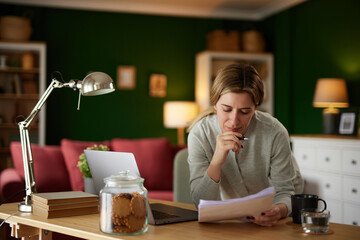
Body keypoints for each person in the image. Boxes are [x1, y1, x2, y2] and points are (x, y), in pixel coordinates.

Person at [187, 63, 303, 227]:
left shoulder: (275, 132)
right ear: (214, 103)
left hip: (277, 212)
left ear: (256, 107)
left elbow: (286, 191)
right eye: (226, 109)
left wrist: (279, 210)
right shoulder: (200, 134)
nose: (234, 121)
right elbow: (200, 203)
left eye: (244, 111)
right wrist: (217, 161)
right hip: (236, 220)